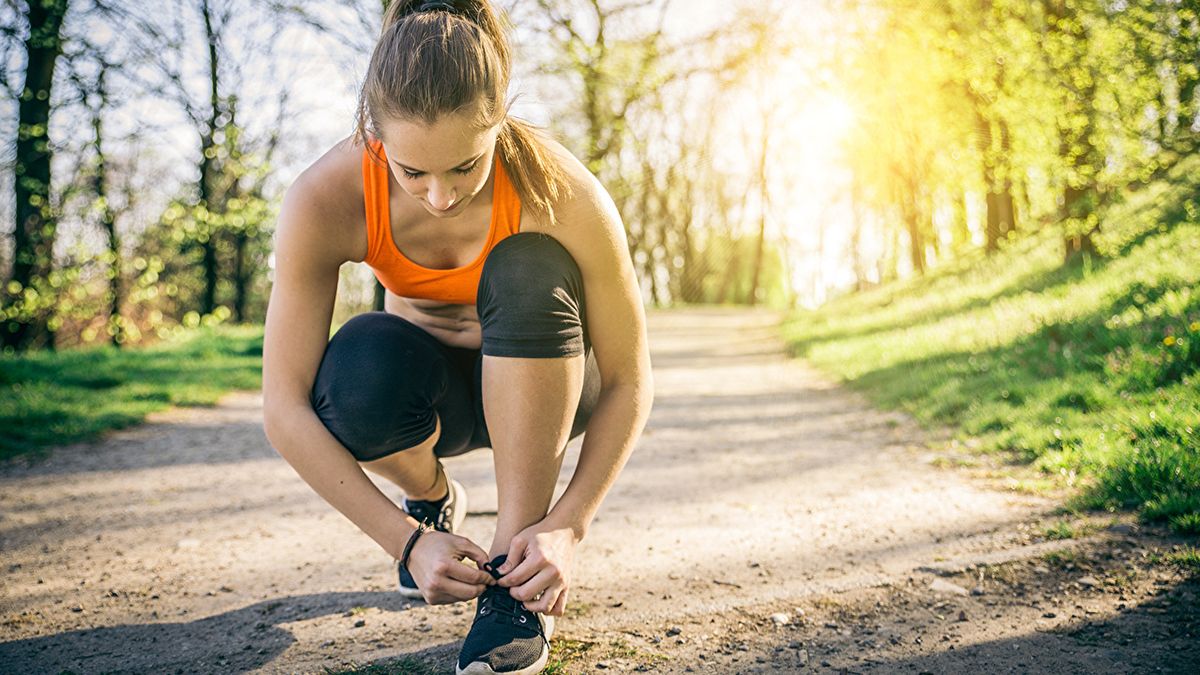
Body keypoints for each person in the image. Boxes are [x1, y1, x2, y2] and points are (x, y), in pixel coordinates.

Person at [260, 1, 653, 673]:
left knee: (528, 265)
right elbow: (285, 408)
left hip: (555, 385)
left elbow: (629, 378)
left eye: (466, 166)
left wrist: (568, 524)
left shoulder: (562, 192)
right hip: (435, 402)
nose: (440, 196)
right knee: (358, 367)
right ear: (373, 131)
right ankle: (435, 498)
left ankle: (513, 581)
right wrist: (407, 541)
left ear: (500, 117)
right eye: (412, 172)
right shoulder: (324, 198)